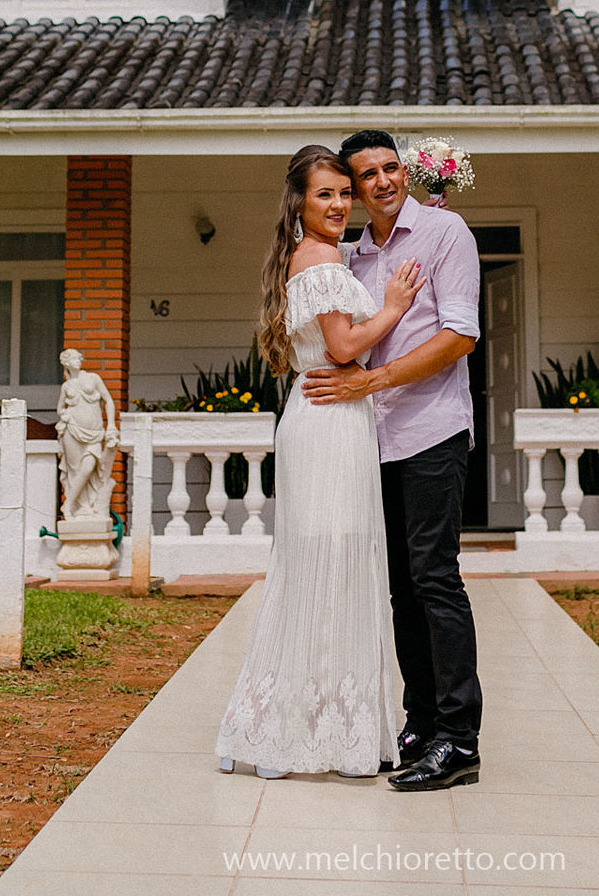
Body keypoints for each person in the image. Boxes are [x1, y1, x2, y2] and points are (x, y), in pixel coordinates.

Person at [216, 145, 424, 779]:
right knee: (334, 564)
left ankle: (307, 725)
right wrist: (392, 307)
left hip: (321, 418)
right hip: (331, 421)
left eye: (343, 194)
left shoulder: (303, 256)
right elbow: (340, 346)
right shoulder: (322, 256)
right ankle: (315, 730)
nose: (337, 205)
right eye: (324, 195)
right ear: (300, 204)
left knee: (320, 566)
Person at [304, 129, 483, 793]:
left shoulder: (444, 232)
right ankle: (420, 725)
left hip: (432, 430)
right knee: (400, 588)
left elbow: (459, 335)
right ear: (352, 189)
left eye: (389, 168)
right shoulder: (354, 256)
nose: (381, 181)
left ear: (404, 173)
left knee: (435, 579)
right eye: (365, 175)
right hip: (372, 441)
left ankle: (459, 739)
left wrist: (371, 384)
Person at [54, 348, 118, 523]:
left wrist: (111, 423)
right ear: (66, 363)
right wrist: (64, 414)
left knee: (89, 467)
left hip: (94, 433)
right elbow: (60, 409)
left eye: (79, 357)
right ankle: (79, 508)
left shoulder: (93, 378)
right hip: (72, 431)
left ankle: (68, 505)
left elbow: (109, 400)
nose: (78, 360)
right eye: (74, 358)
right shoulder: (66, 386)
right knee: (76, 471)